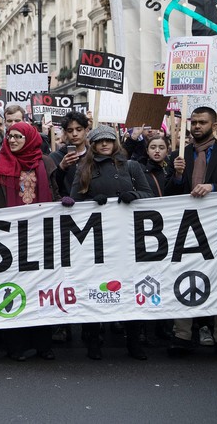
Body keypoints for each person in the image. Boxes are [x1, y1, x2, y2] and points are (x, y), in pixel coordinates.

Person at [164, 106, 217, 361]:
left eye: (202, 122)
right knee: (184, 276)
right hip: (186, 228)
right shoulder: (180, 154)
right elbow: (168, 194)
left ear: (213, 126)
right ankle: (182, 335)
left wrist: (212, 187)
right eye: (194, 122)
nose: (196, 126)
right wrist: (177, 176)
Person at [70, 125, 153, 361]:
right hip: (97, 241)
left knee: (129, 288)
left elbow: (150, 195)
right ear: (93, 145)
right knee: (95, 289)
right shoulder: (84, 168)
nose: (105, 144)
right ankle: (93, 342)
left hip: (128, 239)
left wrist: (134, 196)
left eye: (109, 140)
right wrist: (90, 201)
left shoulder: (131, 166)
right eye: (99, 141)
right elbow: (74, 200)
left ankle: (134, 343)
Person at [0, 121, 62, 361]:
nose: (13, 140)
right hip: (10, 239)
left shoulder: (46, 163)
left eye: (18, 137)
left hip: (40, 237)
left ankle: (43, 345)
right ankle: (15, 346)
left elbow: (55, 193)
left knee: (42, 289)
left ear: (30, 138)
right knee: (13, 289)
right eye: (11, 136)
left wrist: (63, 202)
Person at [49, 111, 91, 197]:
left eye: (79, 129)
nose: (74, 134)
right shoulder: (54, 157)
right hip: (65, 207)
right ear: (65, 133)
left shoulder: (94, 156)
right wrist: (61, 168)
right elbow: (51, 188)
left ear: (86, 130)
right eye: (70, 130)